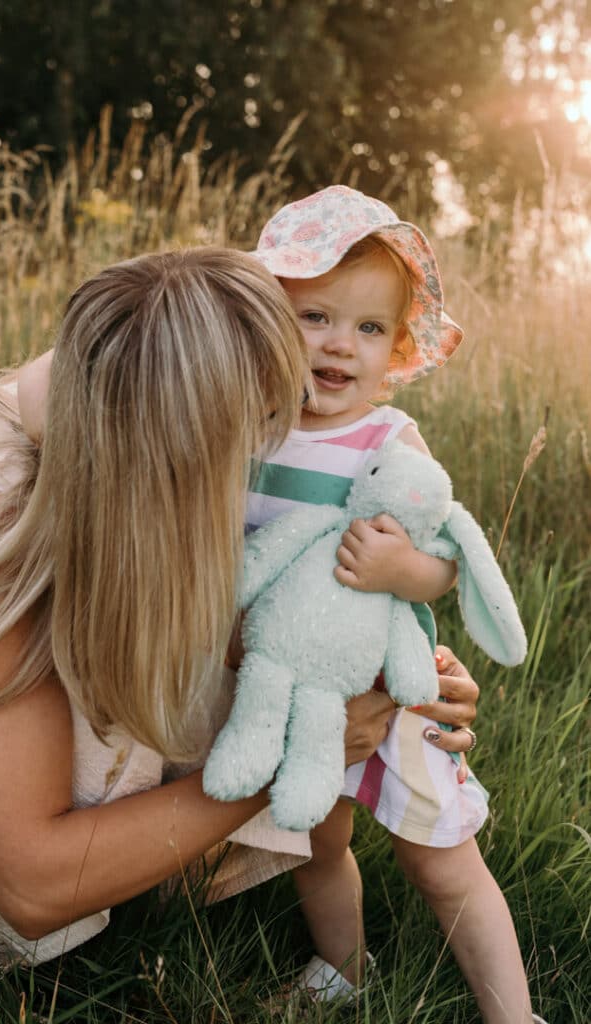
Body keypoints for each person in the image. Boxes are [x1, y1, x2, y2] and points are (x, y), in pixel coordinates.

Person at [0, 247, 482, 991]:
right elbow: (31, 888)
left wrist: (390, 672)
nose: (273, 437)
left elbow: (218, 612)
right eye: (262, 421)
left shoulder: (158, 347)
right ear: (170, 443)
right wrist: (296, 754)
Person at [246, 186, 546, 1024]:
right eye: (315, 317)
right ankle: (343, 965)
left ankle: (512, 1013)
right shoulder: (247, 429)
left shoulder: (387, 440)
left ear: (396, 349)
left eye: (369, 328)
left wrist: (398, 569)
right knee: (314, 841)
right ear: (269, 318)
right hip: (293, 681)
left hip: (388, 683)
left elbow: (446, 565)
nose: (340, 344)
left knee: (441, 858)